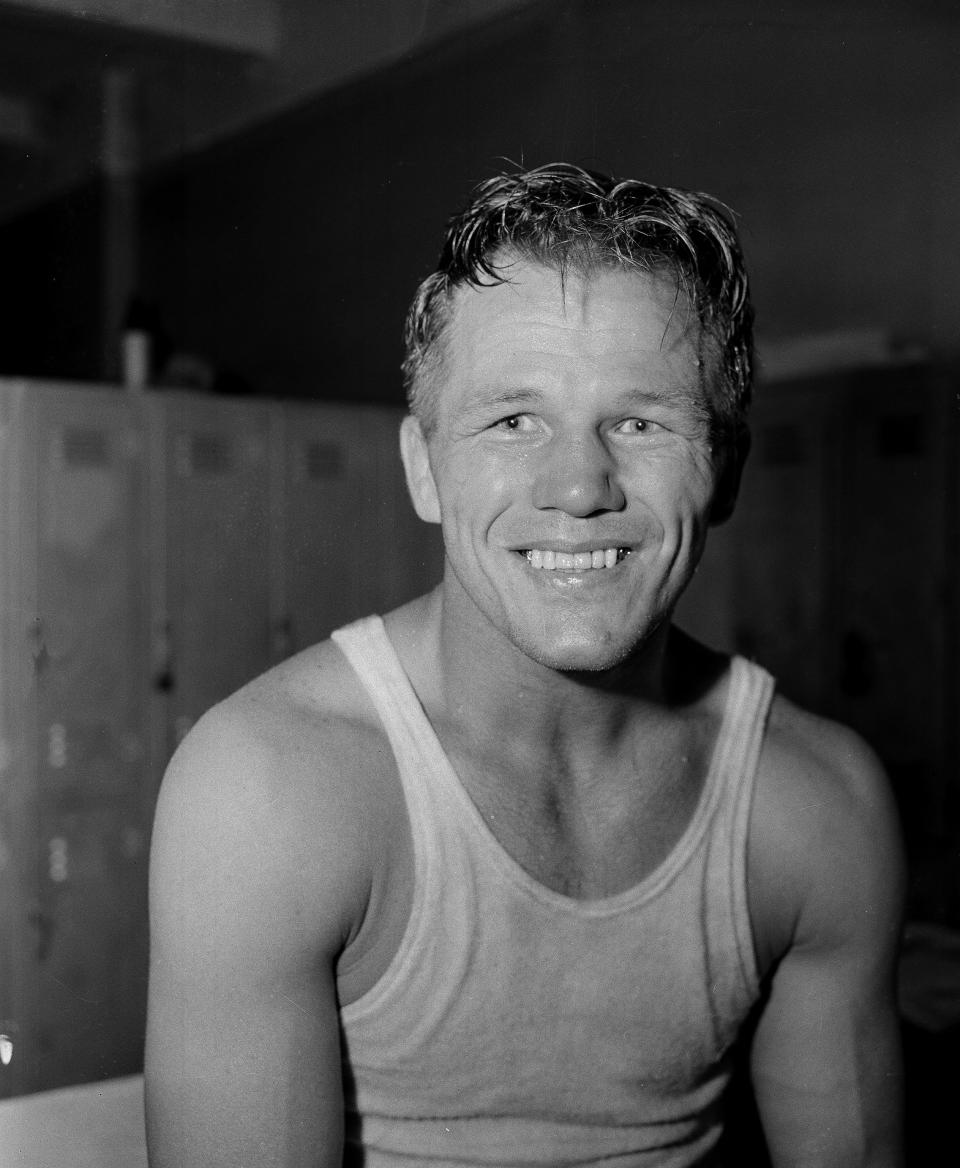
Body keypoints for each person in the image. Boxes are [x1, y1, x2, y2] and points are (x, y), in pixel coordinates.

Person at [144, 163, 905, 1167]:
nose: (579, 483)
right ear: (423, 467)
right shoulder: (271, 791)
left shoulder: (817, 806)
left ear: (725, 472)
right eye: (514, 420)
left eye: (639, 421)